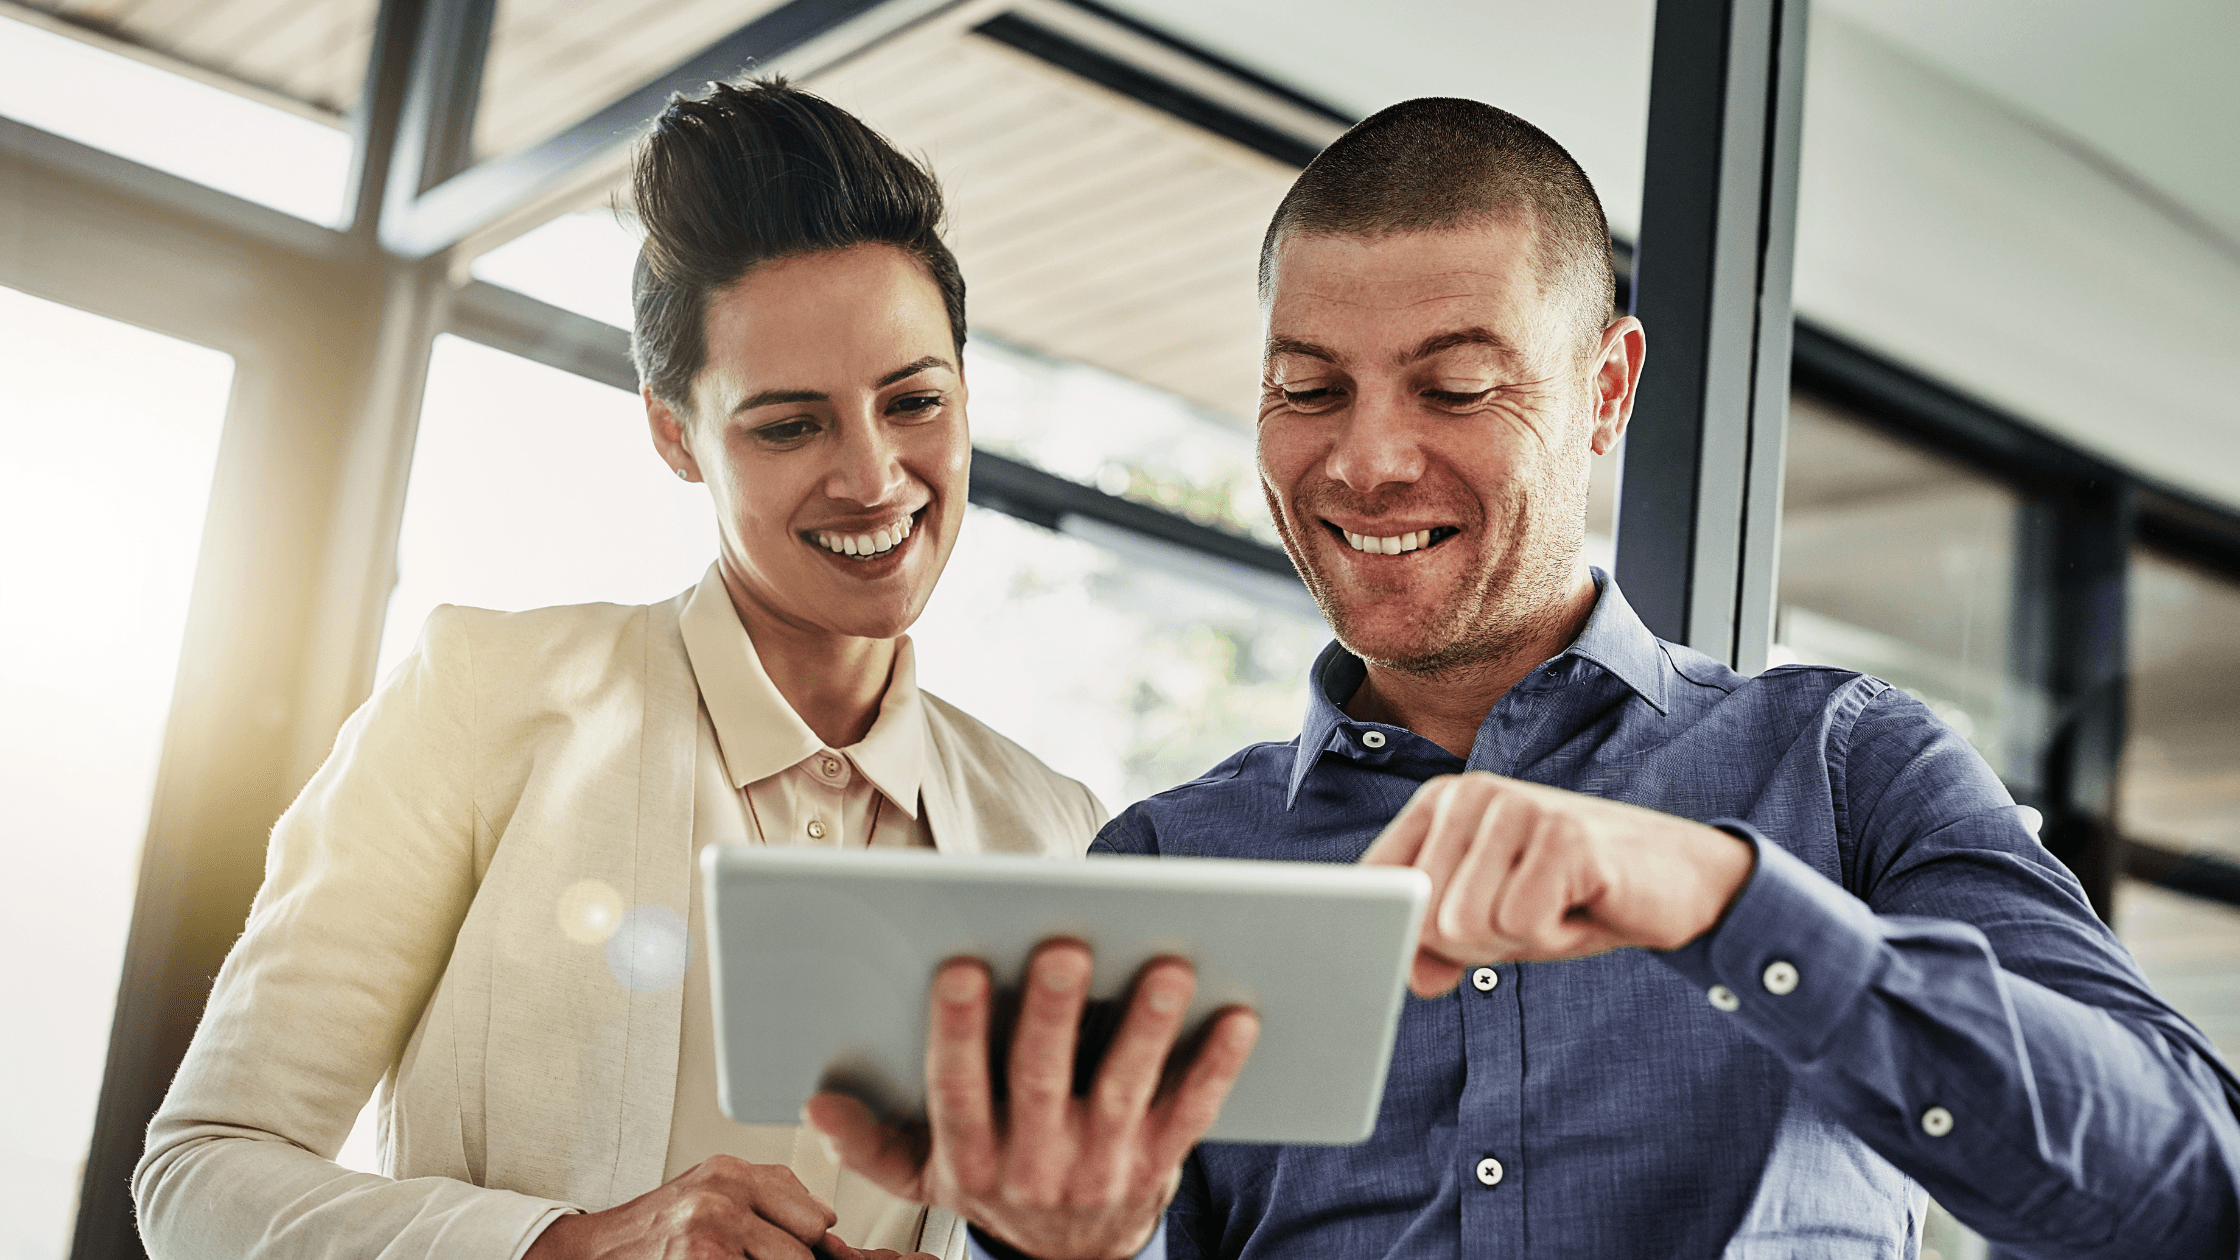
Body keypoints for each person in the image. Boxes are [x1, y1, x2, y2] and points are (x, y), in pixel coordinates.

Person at [813, 98, 2240, 1258]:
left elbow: (2190, 1185)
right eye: (1310, 388)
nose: (1366, 460)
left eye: (1454, 386)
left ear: (1607, 391)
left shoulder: (1842, 768)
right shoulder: (1168, 861)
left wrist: (1720, 896)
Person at [130, 78, 1235, 1260]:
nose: (873, 478)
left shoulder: (1055, 831)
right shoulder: (484, 704)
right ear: (673, 431)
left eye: (913, 401)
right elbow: (200, 1180)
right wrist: (582, 1245)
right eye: (787, 425)